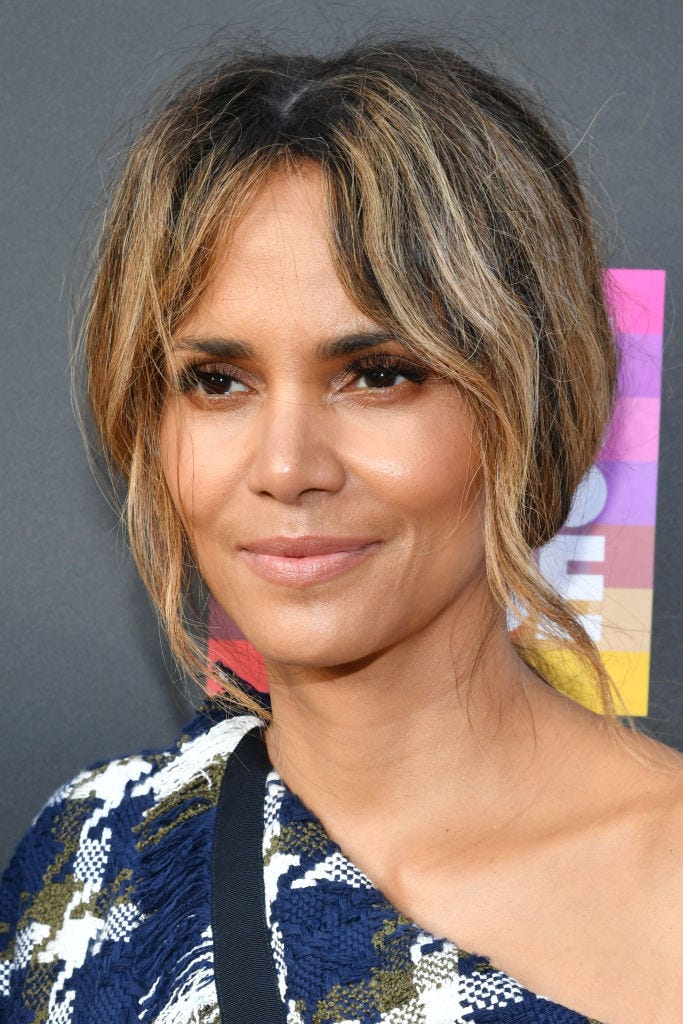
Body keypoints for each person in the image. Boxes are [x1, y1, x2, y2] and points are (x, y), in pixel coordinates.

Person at [1, 37, 681, 1024]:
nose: (285, 467)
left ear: (530, 403)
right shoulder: (89, 866)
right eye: (217, 382)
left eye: (377, 374)